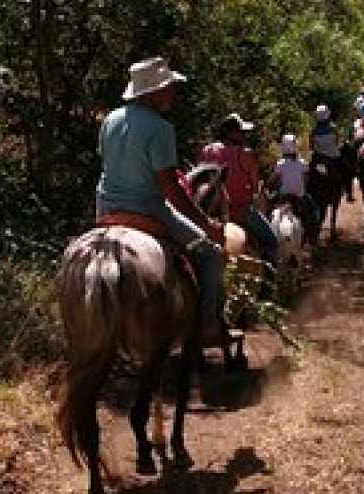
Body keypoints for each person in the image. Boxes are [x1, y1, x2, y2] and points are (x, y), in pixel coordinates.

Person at [94, 56, 230, 344]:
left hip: (106, 208)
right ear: (154, 92)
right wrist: (207, 225)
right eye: (169, 88)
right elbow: (170, 189)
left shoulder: (109, 120)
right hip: (148, 210)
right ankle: (208, 325)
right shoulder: (160, 128)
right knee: (211, 255)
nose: (173, 94)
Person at [200, 113, 278, 268]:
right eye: (241, 132)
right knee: (271, 241)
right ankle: (269, 278)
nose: (244, 135)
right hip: (240, 211)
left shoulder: (207, 151)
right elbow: (255, 189)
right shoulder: (245, 154)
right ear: (232, 133)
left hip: (212, 212)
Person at [267, 134, 318, 240]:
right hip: (299, 196)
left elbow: (272, 180)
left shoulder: (280, 164)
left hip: (283, 196)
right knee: (313, 212)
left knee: (267, 210)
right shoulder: (303, 164)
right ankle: (312, 238)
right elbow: (306, 181)